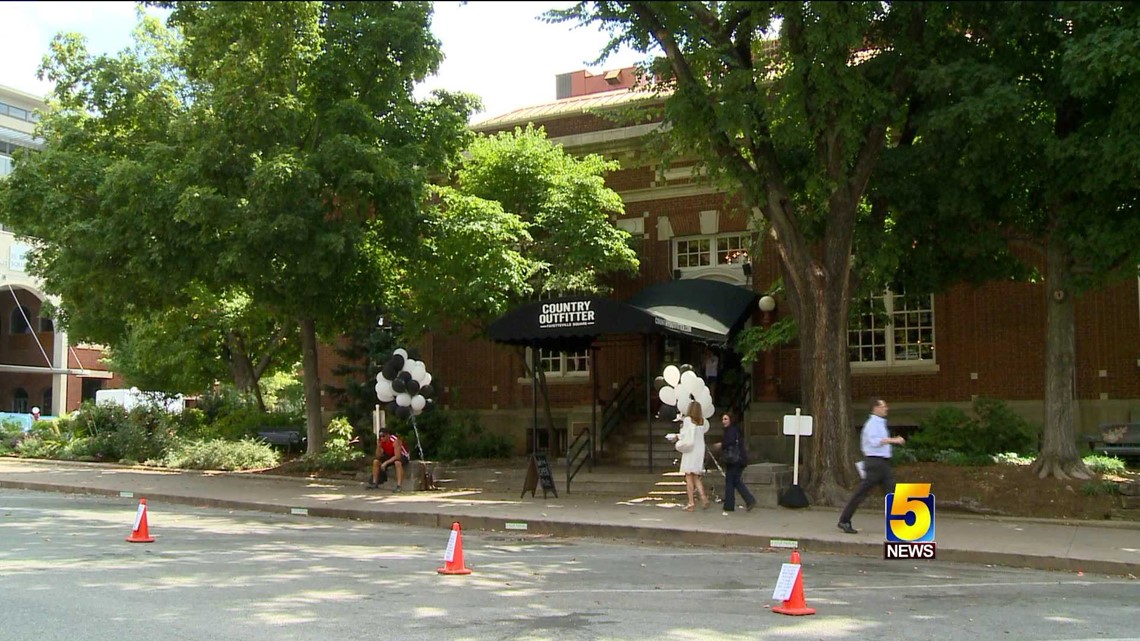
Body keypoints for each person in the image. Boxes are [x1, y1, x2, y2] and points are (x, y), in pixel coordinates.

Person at [837, 398, 905, 534]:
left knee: (891, 493)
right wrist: (894, 440)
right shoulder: (872, 424)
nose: (886, 408)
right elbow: (874, 441)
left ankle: (898, 525)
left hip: (882, 463)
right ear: (875, 408)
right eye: (883, 406)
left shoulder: (879, 423)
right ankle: (844, 520)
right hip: (875, 463)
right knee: (862, 493)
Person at [717, 411, 756, 513]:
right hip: (739, 459)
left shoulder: (731, 431)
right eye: (722, 419)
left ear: (730, 420)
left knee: (730, 481)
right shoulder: (735, 430)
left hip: (734, 460)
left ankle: (731, 505)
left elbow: (729, 442)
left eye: (725, 419)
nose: (723, 421)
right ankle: (748, 500)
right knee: (735, 481)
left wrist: (721, 444)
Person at [676, 400, 711, 511]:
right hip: (699, 451)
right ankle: (703, 497)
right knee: (696, 477)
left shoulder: (687, 420)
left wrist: (677, 437)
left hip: (690, 450)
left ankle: (691, 503)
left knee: (688, 477)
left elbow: (685, 436)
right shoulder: (702, 421)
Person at [369, 426, 409, 491]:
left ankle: (399, 486)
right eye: (380, 436)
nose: (382, 438)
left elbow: (397, 456)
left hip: (402, 455)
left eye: (383, 436)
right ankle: (374, 483)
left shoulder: (395, 441)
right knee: (376, 462)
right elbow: (378, 455)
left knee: (397, 463)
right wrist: (378, 447)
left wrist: (386, 463)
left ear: (388, 435)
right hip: (390, 455)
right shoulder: (381, 442)